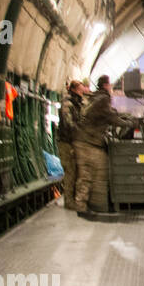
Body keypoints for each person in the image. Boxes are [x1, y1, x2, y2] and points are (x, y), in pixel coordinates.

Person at [73, 75, 139, 214]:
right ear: (105, 85)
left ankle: (89, 205)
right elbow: (111, 116)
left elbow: (111, 113)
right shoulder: (103, 98)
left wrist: (125, 116)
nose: (111, 88)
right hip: (88, 142)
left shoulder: (97, 97)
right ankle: (90, 207)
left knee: (90, 173)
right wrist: (129, 123)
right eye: (109, 85)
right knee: (95, 172)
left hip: (83, 140)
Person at [58, 80, 86, 211]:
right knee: (70, 171)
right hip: (66, 143)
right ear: (74, 89)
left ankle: (73, 199)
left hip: (73, 142)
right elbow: (68, 123)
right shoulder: (68, 103)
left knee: (75, 171)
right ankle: (68, 201)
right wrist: (79, 132)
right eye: (80, 89)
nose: (83, 92)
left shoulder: (77, 103)